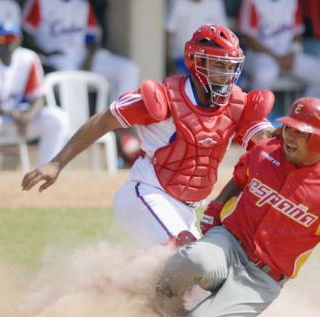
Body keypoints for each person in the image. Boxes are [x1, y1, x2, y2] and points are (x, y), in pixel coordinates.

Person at [21, 24, 276, 247]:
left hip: (187, 211)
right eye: (218, 65)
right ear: (196, 62)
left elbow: (266, 139)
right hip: (147, 195)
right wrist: (56, 163)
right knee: (189, 261)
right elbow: (102, 121)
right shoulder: (163, 98)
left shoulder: (237, 103)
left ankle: (100, 289)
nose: (226, 76)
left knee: (194, 281)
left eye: (230, 67)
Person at [156, 97, 320, 317]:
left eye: (300, 132)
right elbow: (241, 178)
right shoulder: (266, 151)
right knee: (193, 260)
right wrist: (218, 204)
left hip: (262, 279)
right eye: (288, 128)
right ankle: (156, 304)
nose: (289, 136)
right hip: (229, 242)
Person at [0, 22, 68, 175]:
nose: (8, 43)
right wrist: (10, 113)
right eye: (3, 39)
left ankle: (45, 172)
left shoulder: (28, 58)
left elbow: (38, 97)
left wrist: (28, 116)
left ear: (19, 40)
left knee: (57, 118)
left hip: (19, 122)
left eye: (12, 38)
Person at [21, 0, 139, 99]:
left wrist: (88, 60)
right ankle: (77, 122)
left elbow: (93, 37)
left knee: (127, 68)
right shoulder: (40, 2)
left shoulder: (82, 4)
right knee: (69, 70)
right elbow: (25, 34)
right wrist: (44, 52)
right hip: (54, 58)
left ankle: (121, 120)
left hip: (82, 56)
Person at [238, 0, 320, 98]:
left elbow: (298, 33)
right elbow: (249, 38)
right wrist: (278, 59)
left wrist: (293, 52)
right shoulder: (252, 2)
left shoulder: (292, 1)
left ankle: (302, 112)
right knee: (265, 75)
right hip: (261, 56)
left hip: (288, 54)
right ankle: (256, 112)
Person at [165, 0, 229, 75]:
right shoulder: (177, 2)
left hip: (208, 60)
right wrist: (167, 60)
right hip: (180, 58)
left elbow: (224, 34)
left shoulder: (215, 3)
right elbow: (168, 32)